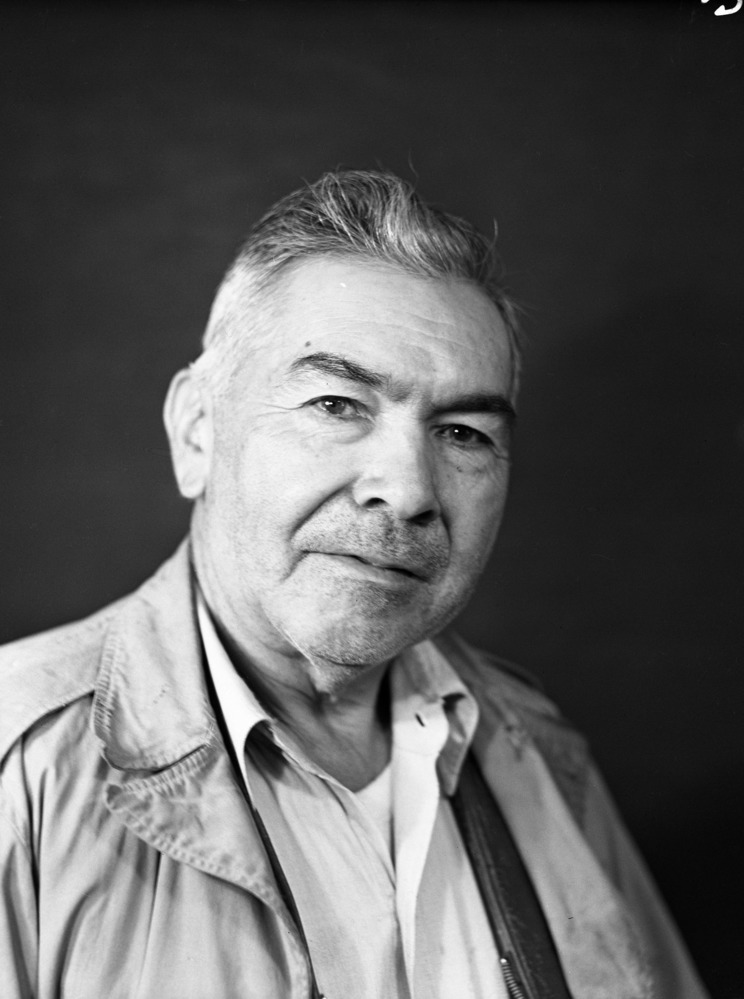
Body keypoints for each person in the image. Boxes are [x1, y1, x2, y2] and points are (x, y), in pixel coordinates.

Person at [0, 170, 707, 999]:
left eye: (462, 432)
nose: (407, 489)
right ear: (196, 430)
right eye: (338, 404)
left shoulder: (543, 759)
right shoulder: (19, 771)